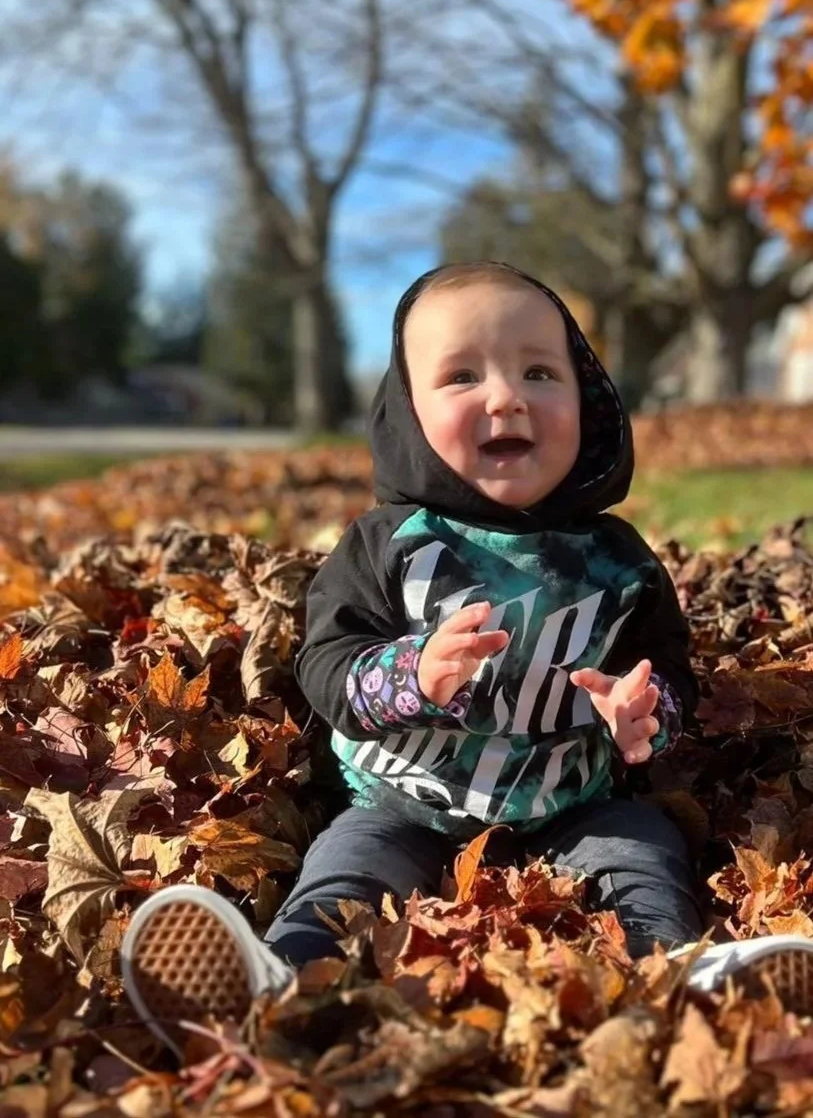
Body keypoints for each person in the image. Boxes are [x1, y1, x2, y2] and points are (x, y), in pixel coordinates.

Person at [122, 262, 813, 1051]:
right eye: (460, 376)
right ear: (407, 412)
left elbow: (667, 669)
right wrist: (406, 675)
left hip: (569, 800)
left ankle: (678, 975)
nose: (506, 396)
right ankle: (276, 984)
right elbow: (324, 664)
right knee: (343, 869)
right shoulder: (387, 546)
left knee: (642, 848)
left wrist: (646, 716)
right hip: (403, 798)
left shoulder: (617, 561)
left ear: (587, 401)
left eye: (539, 371)